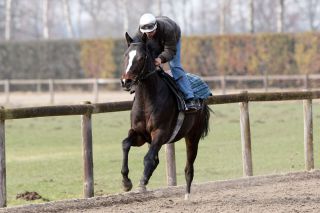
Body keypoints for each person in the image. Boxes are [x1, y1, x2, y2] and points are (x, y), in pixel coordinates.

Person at [133, 13, 199, 111]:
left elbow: (170, 50)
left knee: (175, 66)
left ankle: (189, 98)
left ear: (155, 27)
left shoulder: (168, 30)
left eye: (151, 32)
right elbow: (135, 48)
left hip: (172, 39)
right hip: (159, 39)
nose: (149, 34)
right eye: (146, 33)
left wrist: (161, 59)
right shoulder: (139, 33)